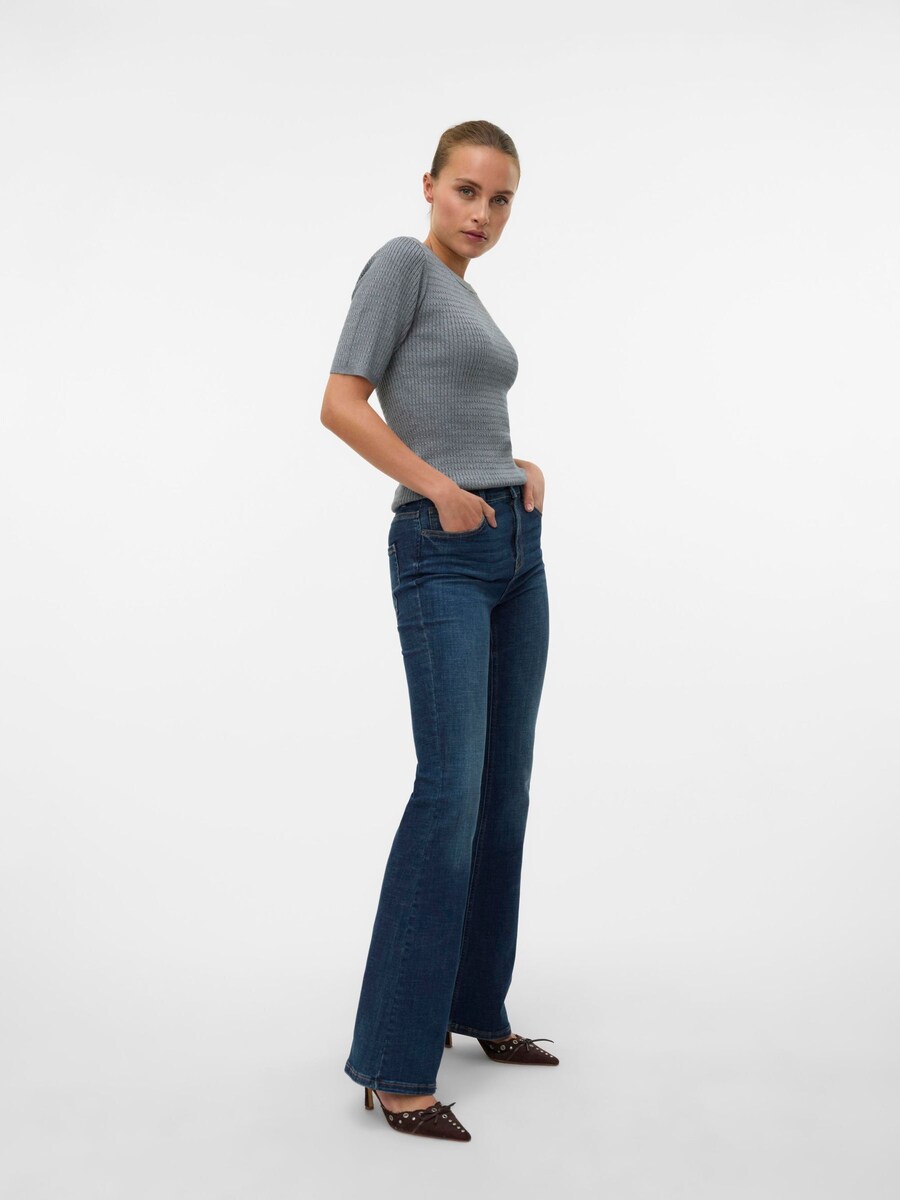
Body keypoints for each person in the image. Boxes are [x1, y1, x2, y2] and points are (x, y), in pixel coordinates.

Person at [320, 119, 557, 1143]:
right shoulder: (402, 267)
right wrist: (442, 489)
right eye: (468, 191)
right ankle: (391, 1065)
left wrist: (512, 469)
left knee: (503, 789)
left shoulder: (466, 292)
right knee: (450, 790)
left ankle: (474, 1004)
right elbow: (341, 403)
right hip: (442, 550)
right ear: (429, 185)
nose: (483, 213)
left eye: (501, 200)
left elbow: (459, 412)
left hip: (515, 550)